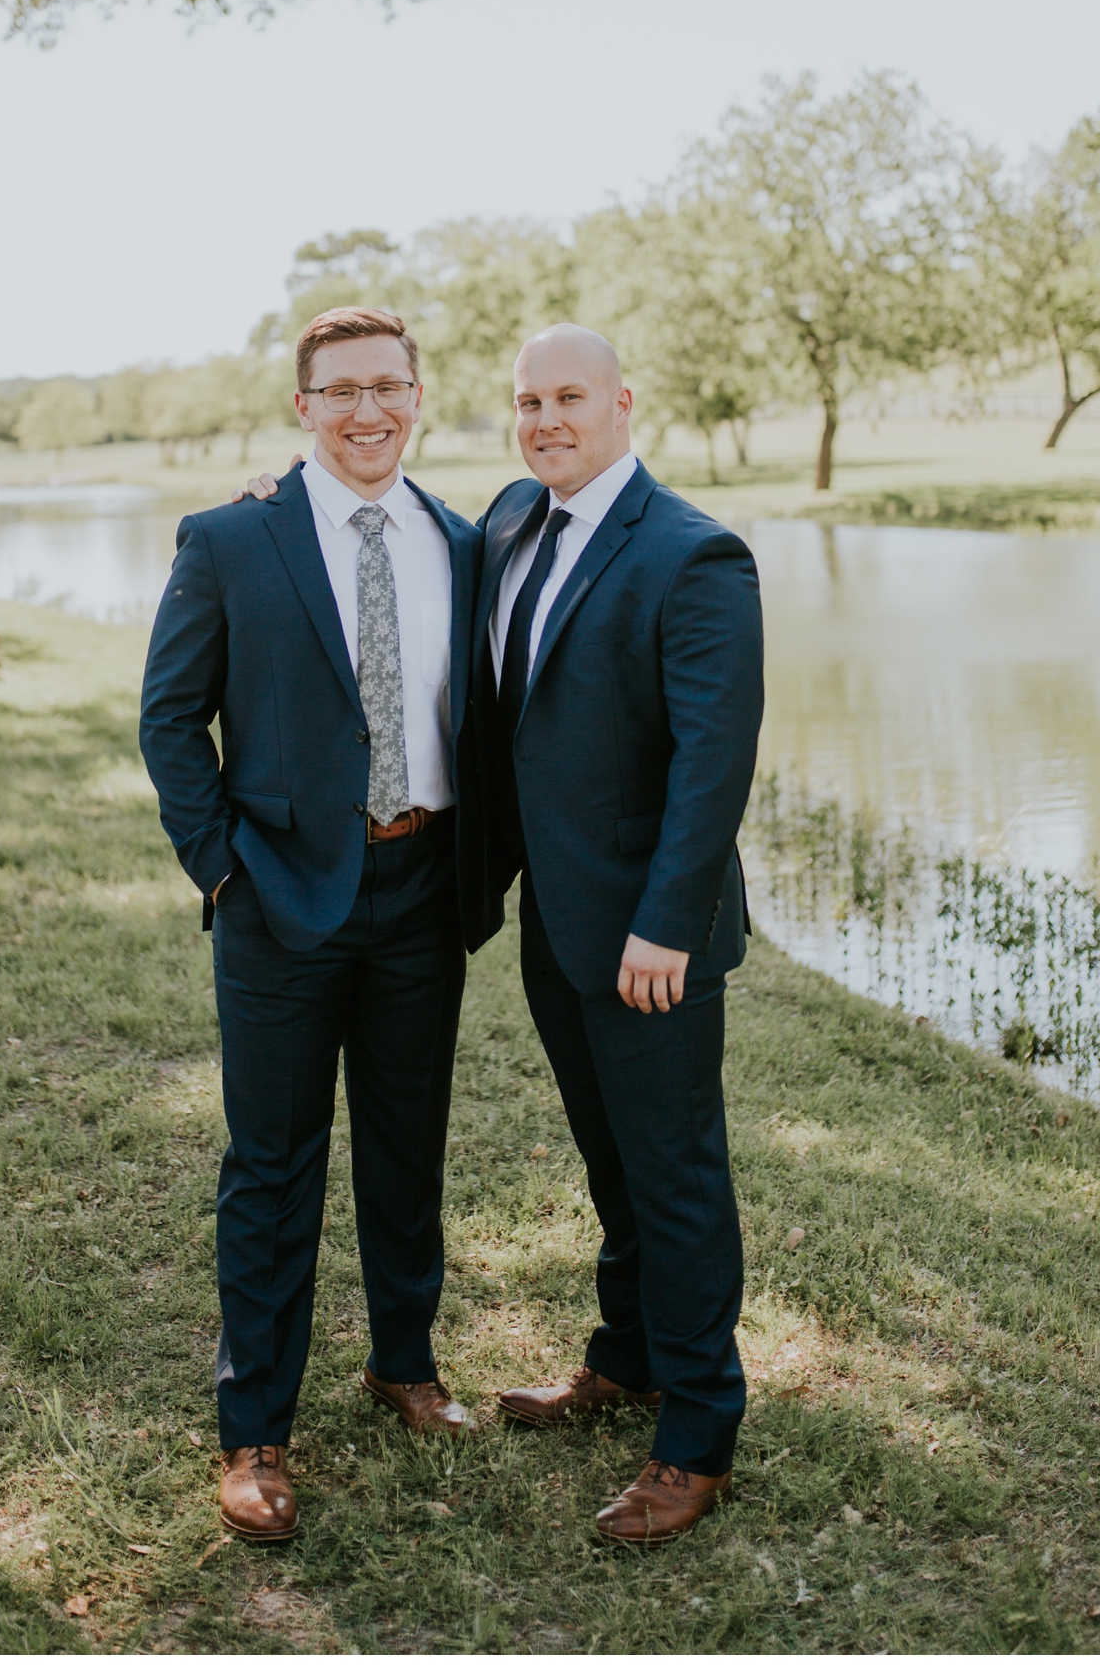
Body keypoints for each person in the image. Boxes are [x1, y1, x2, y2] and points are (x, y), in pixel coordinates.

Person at [139, 306, 500, 1544]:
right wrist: (224, 869)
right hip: (278, 897)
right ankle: (253, 1429)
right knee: (274, 1163)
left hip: (419, 888)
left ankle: (405, 1362)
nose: (366, 411)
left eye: (387, 388)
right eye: (340, 391)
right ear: (304, 406)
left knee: (409, 1146)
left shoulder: (465, 539)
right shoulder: (232, 538)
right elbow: (169, 720)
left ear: (417, 396)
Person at [479, 324, 763, 1546]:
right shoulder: (507, 520)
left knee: (677, 1176)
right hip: (557, 917)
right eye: (529, 399)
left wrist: (666, 927)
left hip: (650, 939)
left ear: (624, 403)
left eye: (571, 396)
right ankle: (626, 1355)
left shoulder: (695, 553)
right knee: (611, 1160)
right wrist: (279, 491)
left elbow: (715, 761)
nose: (547, 418)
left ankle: (696, 1436)